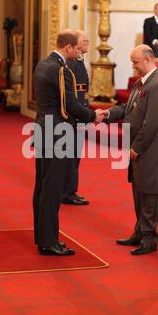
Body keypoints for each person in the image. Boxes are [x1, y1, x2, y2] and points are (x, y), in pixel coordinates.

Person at [32, 29, 103, 256]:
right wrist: (94, 116)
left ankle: (43, 237)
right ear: (68, 47)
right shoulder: (60, 70)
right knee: (52, 190)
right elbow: (70, 105)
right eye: (77, 47)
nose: (78, 51)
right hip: (57, 133)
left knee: (42, 187)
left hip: (43, 128)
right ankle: (49, 242)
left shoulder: (43, 64)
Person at [100, 45, 158, 255]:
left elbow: (152, 122)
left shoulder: (157, 85)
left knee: (149, 194)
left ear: (148, 60)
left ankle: (150, 239)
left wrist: (136, 147)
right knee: (139, 192)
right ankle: (139, 233)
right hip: (139, 149)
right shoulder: (141, 83)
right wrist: (107, 113)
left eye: (135, 62)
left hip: (149, 149)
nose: (133, 66)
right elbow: (128, 109)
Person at [62, 30, 90, 206]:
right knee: (71, 156)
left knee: (75, 156)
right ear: (75, 43)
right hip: (74, 115)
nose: (87, 42)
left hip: (80, 113)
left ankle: (70, 189)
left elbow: (84, 87)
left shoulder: (79, 61)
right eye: (84, 40)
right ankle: (67, 192)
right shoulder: (71, 64)